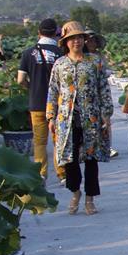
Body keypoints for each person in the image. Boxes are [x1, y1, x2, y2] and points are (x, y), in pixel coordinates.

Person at [46, 21, 113, 215]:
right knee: (70, 159)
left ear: (84, 40)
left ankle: (90, 199)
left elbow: (103, 89)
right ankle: (75, 193)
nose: (76, 41)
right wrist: (51, 116)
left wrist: (106, 113)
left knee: (91, 159)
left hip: (90, 117)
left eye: (79, 38)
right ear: (65, 42)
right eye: (72, 39)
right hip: (67, 119)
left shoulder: (94, 62)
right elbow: (53, 90)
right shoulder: (60, 64)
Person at [17, 18, 63, 181]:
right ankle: (62, 173)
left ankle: (41, 174)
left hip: (36, 102)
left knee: (40, 142)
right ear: (55, 33)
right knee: (59, 139)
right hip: (58, 103)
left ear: (39, 32)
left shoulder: (28, 53)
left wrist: (32, 87)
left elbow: (20, 79)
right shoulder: (61, 53)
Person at [84, 31, 118, 158]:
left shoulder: (99, 56)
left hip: (102, 91)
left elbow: (106, 70)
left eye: (93, 41)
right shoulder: (82, 57)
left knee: (106, 119)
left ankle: (107, 146)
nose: (91, 43)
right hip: (88, 92)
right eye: (88, 41)